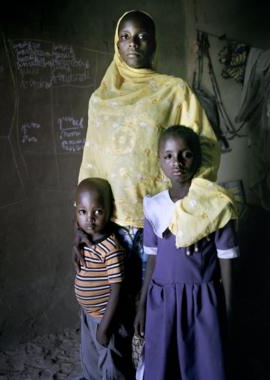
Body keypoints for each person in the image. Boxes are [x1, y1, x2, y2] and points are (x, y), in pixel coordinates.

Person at [74, 10, 220, 286]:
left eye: (142, 37)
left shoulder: (175, 91)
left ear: (154, 44)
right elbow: (90, 162)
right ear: (116, 44)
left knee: (156, 300)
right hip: (108, 223)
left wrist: (189, 210)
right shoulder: (101, 99)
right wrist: (80, 225)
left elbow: (207, 148)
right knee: (116, 305)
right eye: (126, 37)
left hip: (162, 220)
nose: (133, 43)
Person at [134, 125, 239, 380]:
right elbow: (152, 261)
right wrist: (143, 305)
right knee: (164, 365)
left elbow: (226, 264)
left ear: (198, 157)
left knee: (204, 365)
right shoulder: (154, 206)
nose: (177, 162)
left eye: (186, 154)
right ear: (159, 160)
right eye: (168, 156)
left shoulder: (215, 205)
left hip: (202, 302)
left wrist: (226, 311)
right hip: (163, 301)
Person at [74, 177, 134, 380]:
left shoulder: (111, 248)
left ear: (110, 210)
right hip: (89, 314)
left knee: (112, 364)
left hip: (106, 319)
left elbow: (117, 290)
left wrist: (105, 327)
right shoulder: (84, 239)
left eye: (97, 211)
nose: (89, 218)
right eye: (83, 212)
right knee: (90, 358)